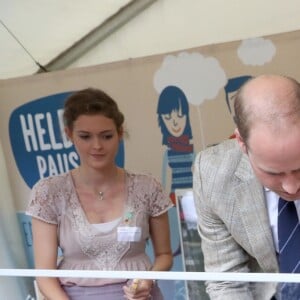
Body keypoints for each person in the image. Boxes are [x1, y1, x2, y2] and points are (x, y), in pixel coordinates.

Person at [26, 88, 173, 300]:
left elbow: (165, 255)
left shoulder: (147, 187)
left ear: (120, 133)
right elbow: (44, 276)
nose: (97, 146)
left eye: (106, 136)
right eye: (85, 136)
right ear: (69, 134)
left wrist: (148, 280)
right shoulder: (49, 193)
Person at [193, 74, 300, 300]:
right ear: (241, 142)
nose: (291, 187)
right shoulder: (214, 174)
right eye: (273, 172)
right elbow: (226, 279)